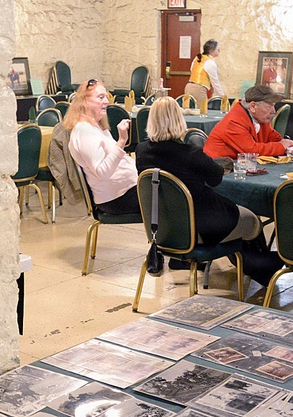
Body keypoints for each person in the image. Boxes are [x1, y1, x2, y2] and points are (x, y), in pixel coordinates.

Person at [135, 98, 278, 279]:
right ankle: (263, 269)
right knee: (251, 218)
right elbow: (216, 177)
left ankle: (256, 266)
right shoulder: (190, 154)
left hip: (163, 228)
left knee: (237, 219)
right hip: (201, 227)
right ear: (180, 120)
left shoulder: (141, 151)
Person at [65, 78, 162, 274]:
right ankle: (165, 252)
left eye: (106, 96)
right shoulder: (84, 131)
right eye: (100, 97)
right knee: (170, 197)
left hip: (124, 191)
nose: (106, 101)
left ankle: (168, 250)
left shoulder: (96, 127)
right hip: (115, 200)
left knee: (168, 187)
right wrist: (122, 142)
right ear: (85, 101)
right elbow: (102, 172)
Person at [204, 85, 293, 160]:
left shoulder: (261, 119)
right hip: (218, 170)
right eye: (269, 107)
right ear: (253, 106)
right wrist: (281, 146)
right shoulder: (234, 122)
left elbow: (275, 139)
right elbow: (251, 150)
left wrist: (292, 148)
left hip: (238, 165)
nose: (273, 111)